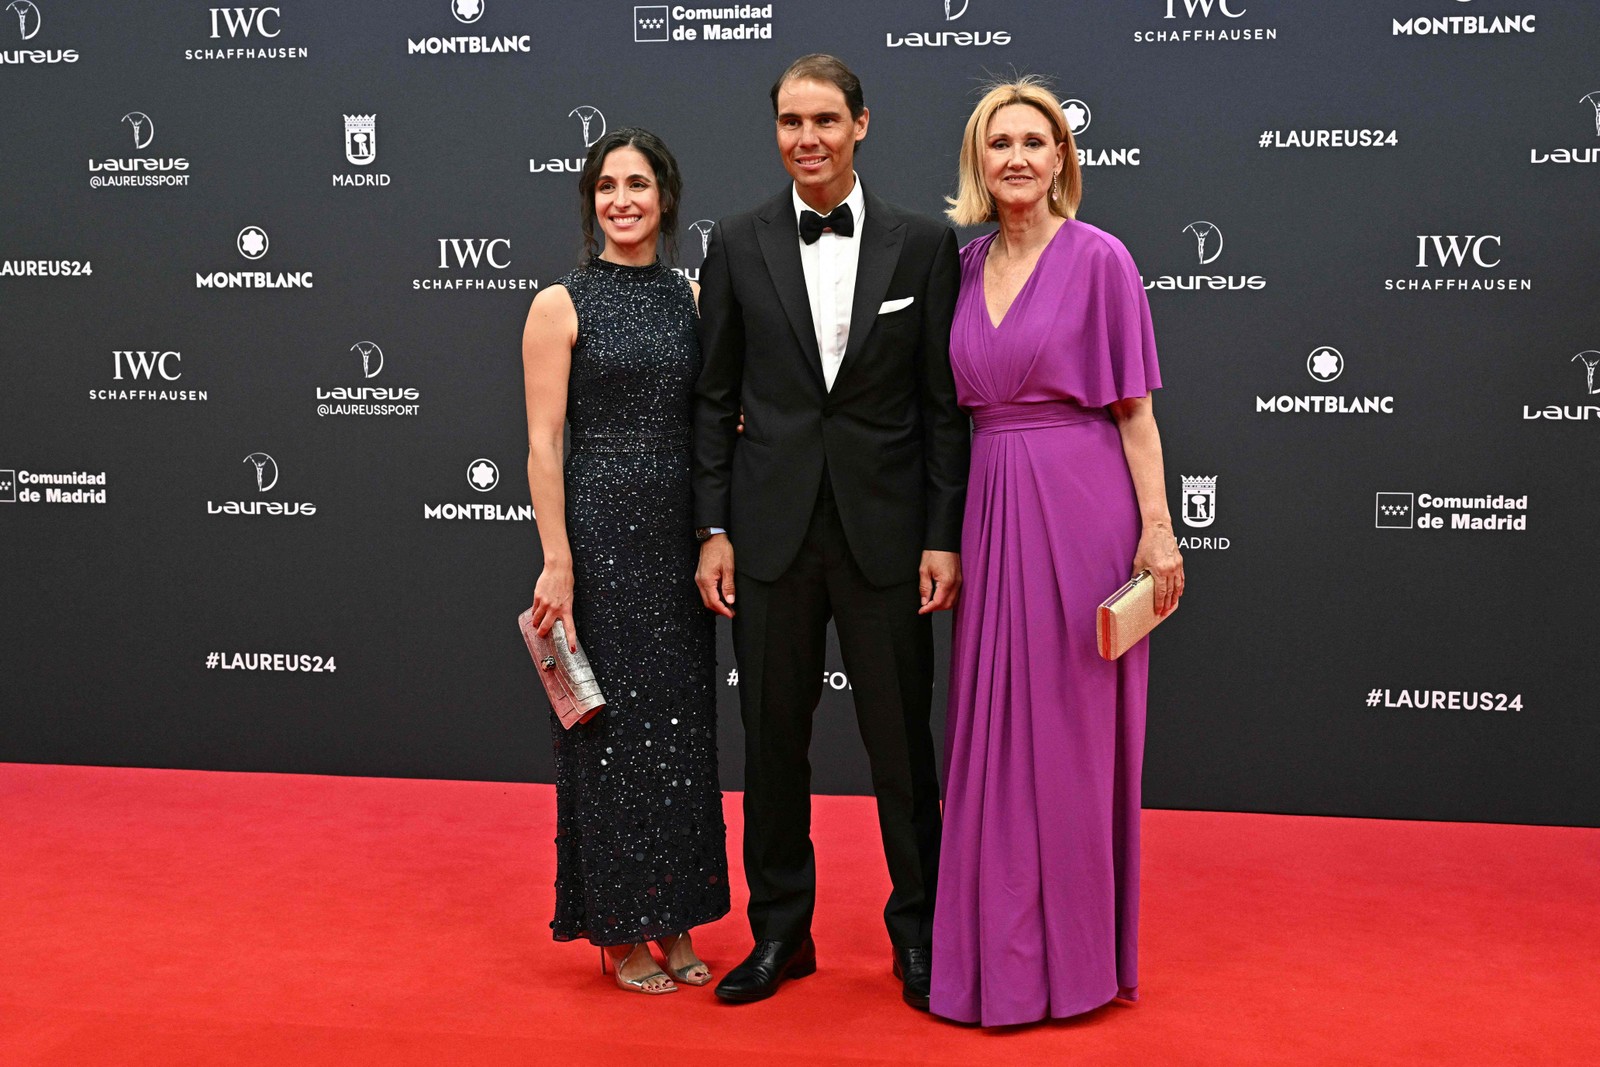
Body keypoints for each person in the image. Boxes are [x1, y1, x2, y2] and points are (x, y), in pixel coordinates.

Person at [692, 54, 969, 1011]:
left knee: (903, 749)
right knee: (771, 745)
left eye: (823, 120)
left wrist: (944, 535)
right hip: (767, 534)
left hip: (887, 535)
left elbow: (943, 406)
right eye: (788, 121)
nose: (804, 138)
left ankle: (923, 935)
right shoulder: (734, 240)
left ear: (861, 124)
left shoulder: (924, 244)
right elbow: (714, 396)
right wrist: (713, 527)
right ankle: (779, 933)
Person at [930, 77, 1185, 1027]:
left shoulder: (1101, 259)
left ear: (1063, 159)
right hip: (990, 510)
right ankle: (992, 957)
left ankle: (1074, 965)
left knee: (1072, 738)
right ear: (979, 160)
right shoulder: (960, 268)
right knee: (990, 732)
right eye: (1000, 143)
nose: (1018, 158)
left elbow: (1138, 415)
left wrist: (1157, 531)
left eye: (1036, 141)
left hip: (1081, 508)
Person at [522, 127, 729, 996]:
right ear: (590, 199)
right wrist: (557, 558)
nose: (622, 200)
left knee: (678, 735)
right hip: (601, 541)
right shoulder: (558, 303)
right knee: (610, 736)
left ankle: (673, 912)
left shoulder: (691, 297)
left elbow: (715, 415)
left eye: (638, 184)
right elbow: (542, 443)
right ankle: (618, 926)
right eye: (606, 186)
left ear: (666, 198)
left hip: (676, 539)